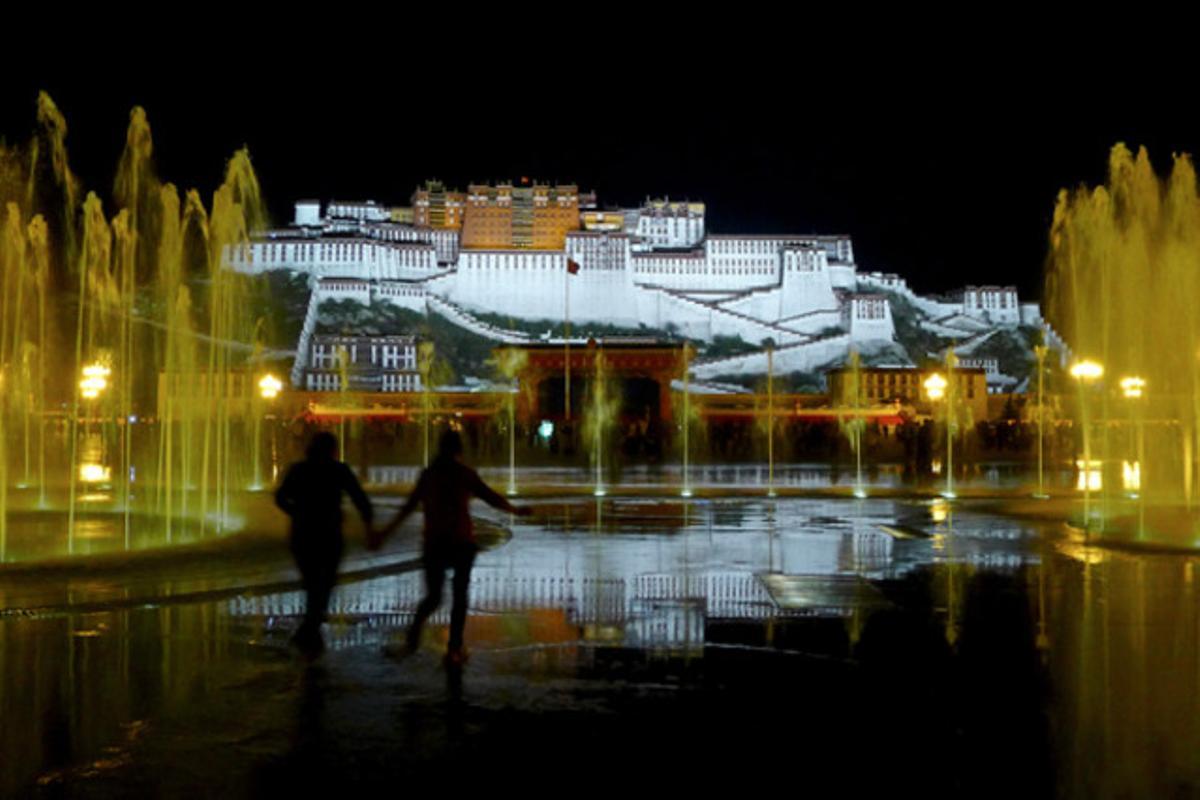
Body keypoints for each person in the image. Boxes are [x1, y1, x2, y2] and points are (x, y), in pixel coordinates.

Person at [372, 429, 532, 665]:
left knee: (433, 597)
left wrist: (385, 533)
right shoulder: (464, 474)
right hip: (461, 542)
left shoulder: (430, 475)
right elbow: (491, 497)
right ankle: (454, 649)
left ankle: (412, 641)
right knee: (459, 596)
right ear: (459, 450)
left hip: (435, 542)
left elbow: (408, 507)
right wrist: (515, 511)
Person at [275, 431, 374, 658]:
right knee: (324, 585)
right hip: (329, 535)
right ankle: (309, 635)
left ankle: (309, 635)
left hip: (302, 535)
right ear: (331, 450)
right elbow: (361, 500)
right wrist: (370, 528)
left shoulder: (298, 470)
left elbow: (280, 497)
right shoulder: (339, 470)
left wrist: (297, 513)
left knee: (312, 584)